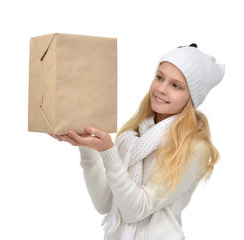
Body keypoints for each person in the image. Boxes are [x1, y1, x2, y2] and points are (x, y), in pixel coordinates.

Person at [49, 44, 225, 240]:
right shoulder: (131, 136)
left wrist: (108, 151)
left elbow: (134, 210)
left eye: (176, 86)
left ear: (192, 97)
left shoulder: (193, 148)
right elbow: (104, 203)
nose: (161, 88)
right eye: (159, 77)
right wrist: (87, 147)